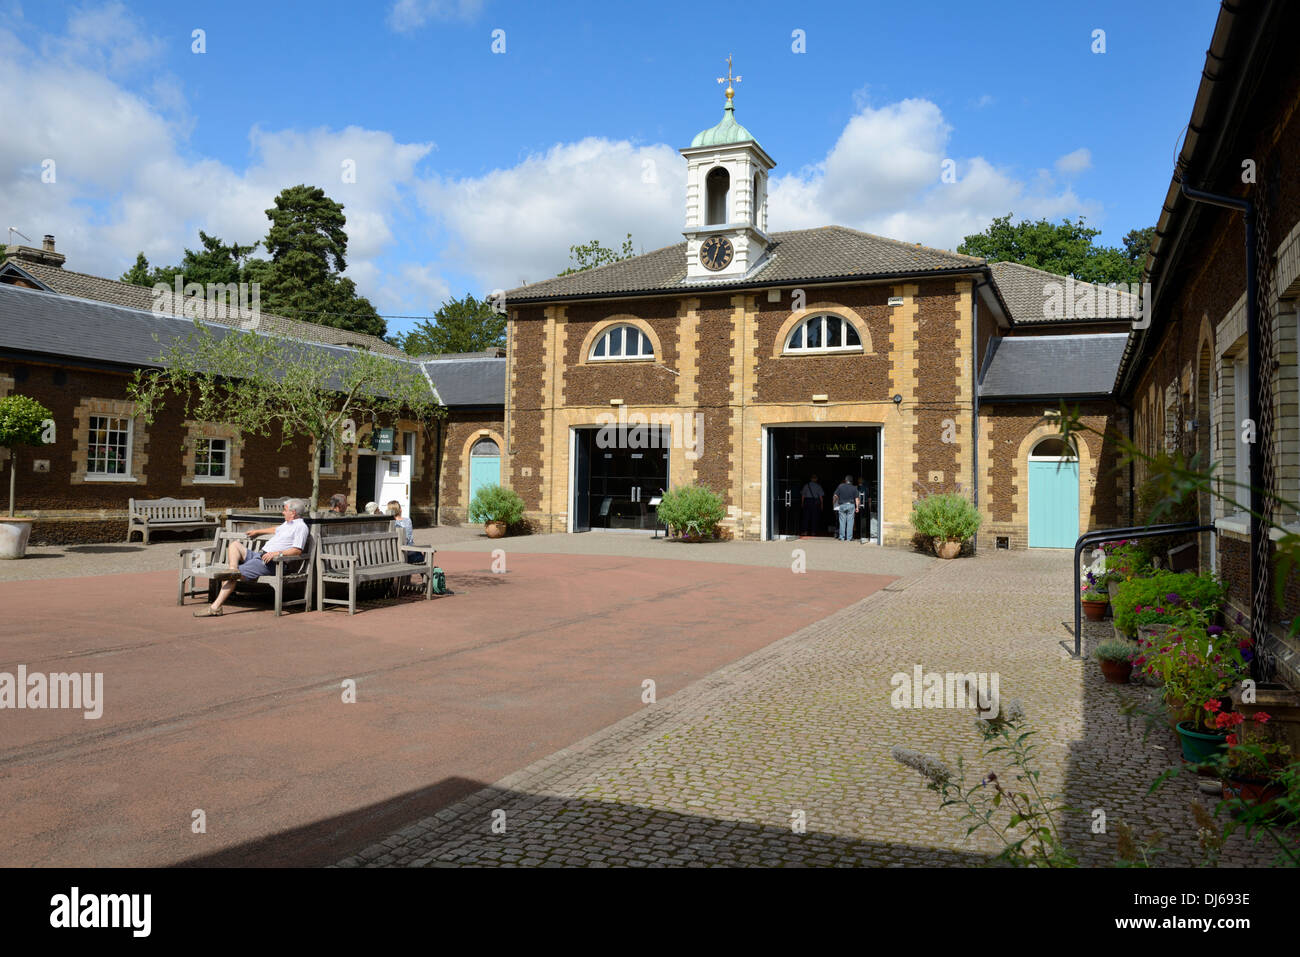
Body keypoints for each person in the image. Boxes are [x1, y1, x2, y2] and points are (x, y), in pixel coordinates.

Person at [194, 499, 309, 617]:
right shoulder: (288, 524)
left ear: (293, 513)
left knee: (230, 577)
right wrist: (257, 531)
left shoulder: (301, 527)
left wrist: (277, 554)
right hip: (260, 556)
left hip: (273, 563)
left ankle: (215, 607)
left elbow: (297, 550)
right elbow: (276, 529)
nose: (282, 512)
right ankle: (233, 569)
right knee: (234, 545)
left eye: (285, 510)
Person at [387, 501, 425, 585]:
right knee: (418, 556)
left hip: (393, 555)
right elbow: (409, 539)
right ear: (400, 509)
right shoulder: (407, 521)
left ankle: (406, 582)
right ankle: (429, 583)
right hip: (407, 553)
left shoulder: (389, 523)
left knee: (411, 553)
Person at [832, 475, 858, 541]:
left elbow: (835, 496)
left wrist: (834, 503)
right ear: (851, 481)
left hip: (842, 505)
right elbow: (857, 499)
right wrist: (857, 507)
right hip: (851, 505)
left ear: (845, 480)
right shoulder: (854, 488)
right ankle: (849, 538)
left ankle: (842, 537)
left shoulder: (840, 486)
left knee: (842, 521)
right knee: (850, 522)